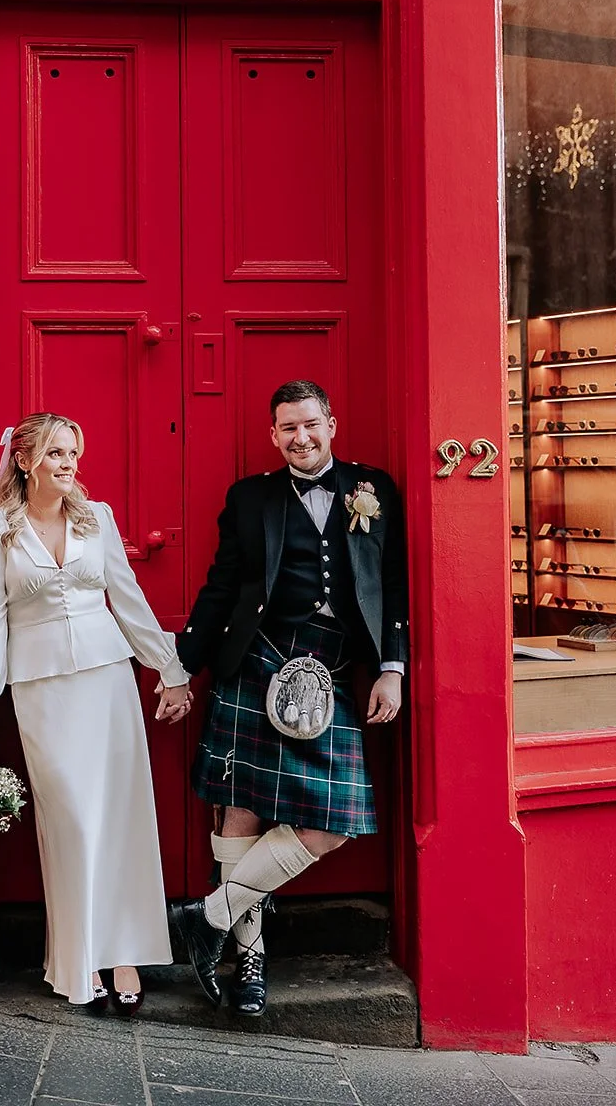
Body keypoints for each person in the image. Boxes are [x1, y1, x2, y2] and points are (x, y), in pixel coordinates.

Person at [170, 379, 407, 1018]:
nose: (300, 438)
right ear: (273, 435)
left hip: (330, 672)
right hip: (256, 662)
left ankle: (206, 916)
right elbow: (221, 586)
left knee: (335, 823)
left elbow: (391, 582)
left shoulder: (373, 488)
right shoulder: (251, 498)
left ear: (331, 423)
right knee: (241, 814)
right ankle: (249, 962)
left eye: (311, 424)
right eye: (287, 429)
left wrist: (392, 668)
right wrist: (179, 666)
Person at [0, 412, 192, 1012]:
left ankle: (123, 952)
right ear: (24, 460)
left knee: (120, 814)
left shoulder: (99, 520)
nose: (69, 464)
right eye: (57, 453)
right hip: (41, 689)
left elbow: (128, 598)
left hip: (109, 681)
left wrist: (169, 671)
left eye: (74, 453)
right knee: (70, 819)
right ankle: (78, 954)